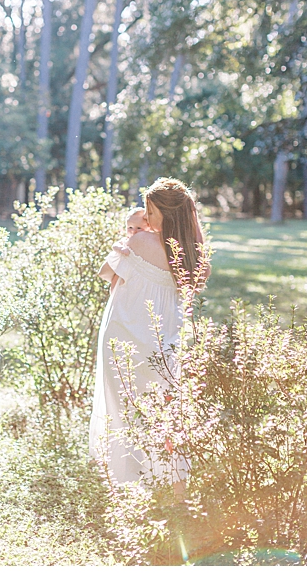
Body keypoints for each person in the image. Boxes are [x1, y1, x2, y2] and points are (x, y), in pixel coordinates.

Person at [90, 178, 208, 488]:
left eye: (150, 212)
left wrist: (123, 244)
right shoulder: (197, 257)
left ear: (167, 216)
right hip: (163, 343)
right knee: (165, 410)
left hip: (123, 335)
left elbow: (106, 274)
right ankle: (170, 481)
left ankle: (129, 483)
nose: (146, 218)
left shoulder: (140, 242)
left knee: (125, 410)